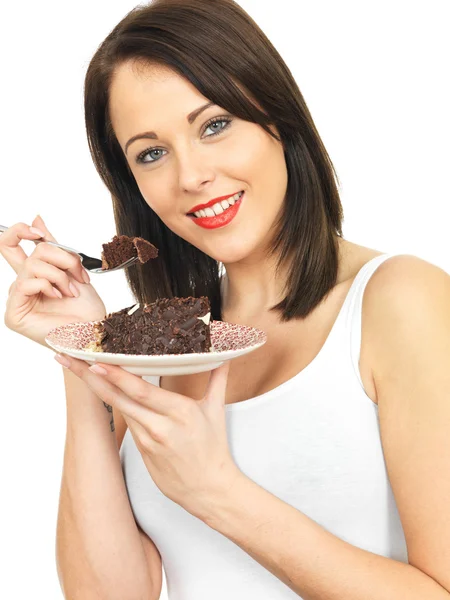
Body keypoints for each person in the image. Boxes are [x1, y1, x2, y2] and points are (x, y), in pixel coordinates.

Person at [1, 0, 449, 598]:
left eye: (214, 125)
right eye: (151, 153)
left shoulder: (400, 301)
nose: (191, 176)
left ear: (276, 116)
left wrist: (217, 492)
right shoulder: (164, 345)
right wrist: (86, 354)